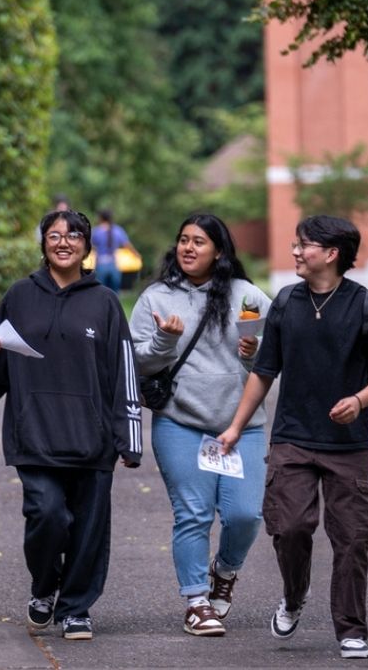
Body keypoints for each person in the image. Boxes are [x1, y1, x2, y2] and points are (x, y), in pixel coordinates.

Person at [0, 209, 143, 642]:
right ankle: (43, 587)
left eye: (74, 235)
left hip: (92, 441)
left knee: (89, 528)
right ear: (43, 244)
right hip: (33, 436)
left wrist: (129, 437)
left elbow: (124, 369)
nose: (63, 242)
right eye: (54, 235)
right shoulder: (19, 297)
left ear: (87, 247)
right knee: (47, 515)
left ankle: (76, 607)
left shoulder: (105, 303)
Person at [218, 215, 368, 660]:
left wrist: (359, 401)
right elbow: (265, 371)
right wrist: (235, 426)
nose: (296, 252)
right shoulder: (285, 303)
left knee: (353, 537)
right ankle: (293, 595)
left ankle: (351, 627)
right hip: (294, 438)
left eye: (303, 245)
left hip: (349, 444)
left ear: (331, 253)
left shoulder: (367, 307)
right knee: (290, 527)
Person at [130, 214, 272, 637]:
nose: (188, 248)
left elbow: (271, 363)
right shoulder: (156, 298)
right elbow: (135, 362)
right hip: (181, 422)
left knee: (245, 514)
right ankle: (196, 601)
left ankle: (224, 571)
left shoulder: (248, 297)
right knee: (192, 513)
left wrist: (252, 353)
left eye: (199, 242)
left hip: (240, 425)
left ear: (219, 252)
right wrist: (163, 342)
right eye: (183, 240)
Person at [91, 209, 131, 293]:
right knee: (114, 294)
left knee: (100, 293)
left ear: (101, 218)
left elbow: (90, 246)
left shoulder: (96, 231)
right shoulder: (118, 230)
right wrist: (137, 255)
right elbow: (127, 245)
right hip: (113, 265)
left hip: (101, 264)